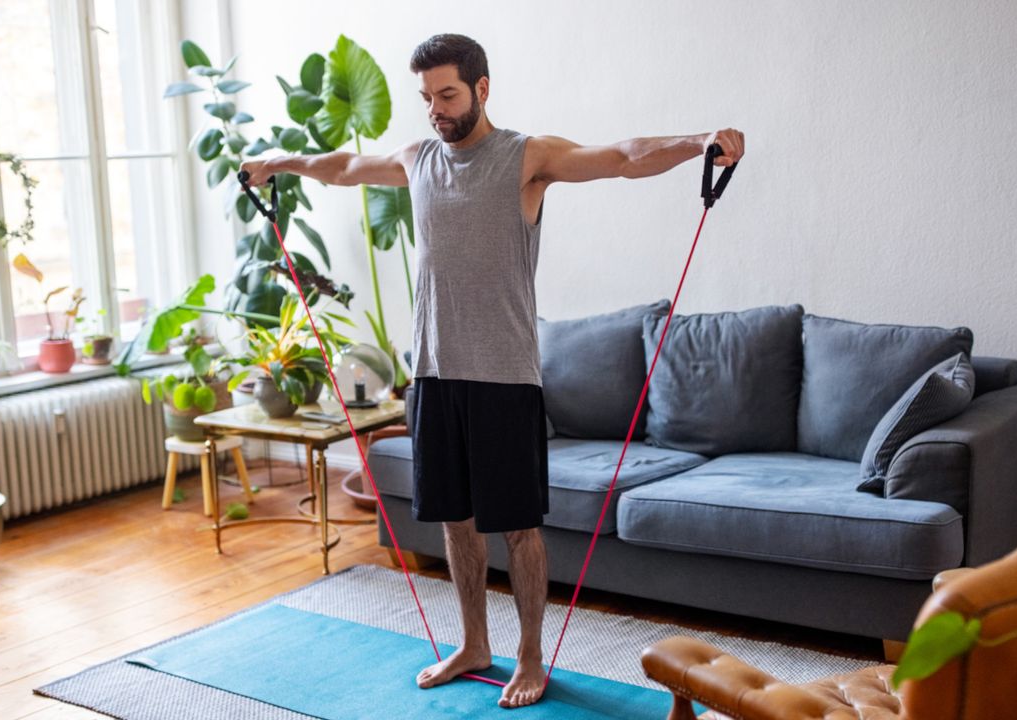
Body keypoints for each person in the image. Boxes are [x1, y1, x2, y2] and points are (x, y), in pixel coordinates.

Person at [241, 32, 744, 709]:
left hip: (505, 377)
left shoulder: (525, 157)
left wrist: (699, 141)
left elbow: (624, 157)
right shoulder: (418, 158)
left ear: (481, 88)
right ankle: (475, 644)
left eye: (447, 95)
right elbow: (343, 165)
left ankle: (531, 655)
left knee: (517, 527)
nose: (435, 110)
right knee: (454, 521)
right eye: (426, 98)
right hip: (434, 376)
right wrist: (279, 160)